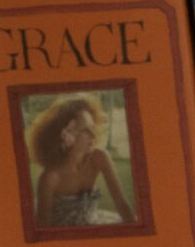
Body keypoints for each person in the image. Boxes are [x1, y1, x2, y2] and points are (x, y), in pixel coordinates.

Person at [27, 95, 129, 229]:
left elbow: (121, 204)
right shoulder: (50, 177)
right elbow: (43, 228)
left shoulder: (99, 157)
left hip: (92, 221)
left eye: (92, 127)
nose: (93, 135)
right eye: (86, 130)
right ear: (65, 136)